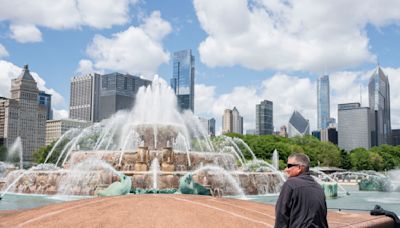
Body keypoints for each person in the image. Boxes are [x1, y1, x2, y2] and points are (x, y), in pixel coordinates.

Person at [275, 153, 328, 228]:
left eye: (289, 166)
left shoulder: (290, 184)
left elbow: (282, 215)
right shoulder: (318, 187)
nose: (286, 169)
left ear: (299, 168)